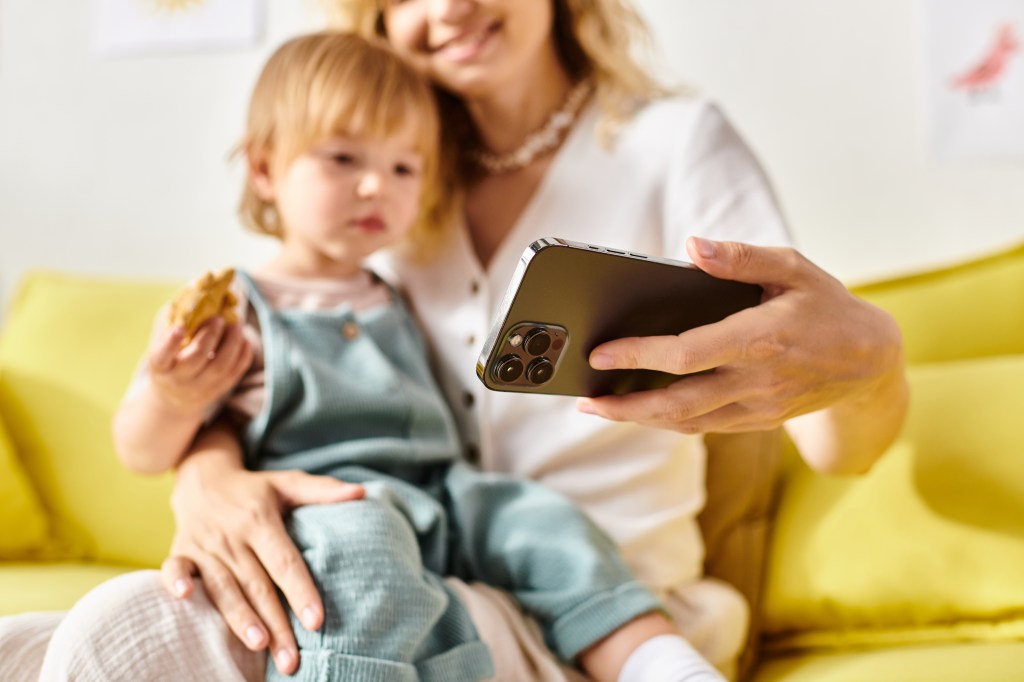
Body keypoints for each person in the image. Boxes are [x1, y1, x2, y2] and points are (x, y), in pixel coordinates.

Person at [0, 1, 908, 681]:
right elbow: (256, 377)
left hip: (580, 609)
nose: (449, 10)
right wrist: (207, 470)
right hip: (390, 555)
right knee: (42, 644)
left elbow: (834, 439)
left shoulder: (669, 147)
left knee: (129, 632)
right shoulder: (385, 196)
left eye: (394, 168)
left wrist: (869, 359)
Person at [114, 29, 730, 682]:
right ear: (265, 170)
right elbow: (140, 450)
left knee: (544, 525)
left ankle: (657, 662)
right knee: (364, 557)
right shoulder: (234, 306)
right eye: (344, 159)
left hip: (446, 496)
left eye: (404, 168)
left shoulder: (394, 290)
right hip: (329, 509)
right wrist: (171, 397)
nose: (377, 185)